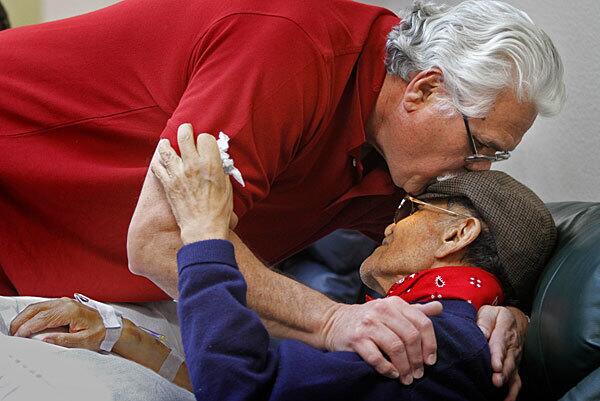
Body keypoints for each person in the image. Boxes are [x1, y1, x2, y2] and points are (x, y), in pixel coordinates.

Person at [0, 0, 565, 394]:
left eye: (496, 158)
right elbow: (162, 237)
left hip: (40, 268)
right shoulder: (290, 43)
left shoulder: (400, 165)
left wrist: (508, 313)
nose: (478, 170)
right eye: (480, 147)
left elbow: (478, 242)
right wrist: (329, 321)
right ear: (423, 90)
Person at [7, 134, 556, 400]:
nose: (389, 224)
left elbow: (238, 392)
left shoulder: (438, 338)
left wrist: (204, 232)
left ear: (458, 234)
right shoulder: (425, 324)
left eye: (411, 210)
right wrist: (120, 337)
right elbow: (264, 383)